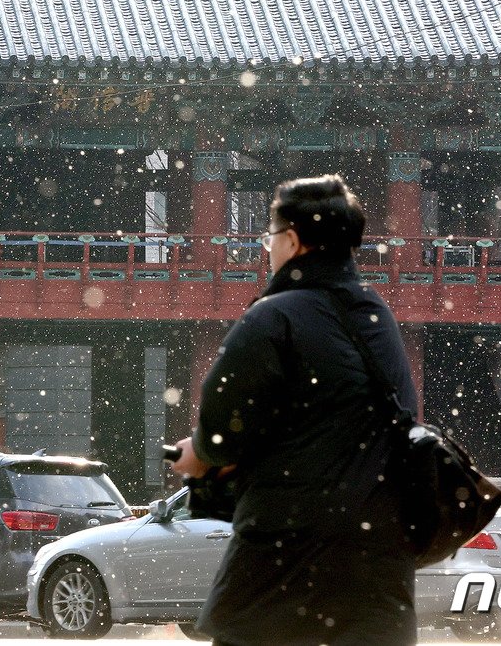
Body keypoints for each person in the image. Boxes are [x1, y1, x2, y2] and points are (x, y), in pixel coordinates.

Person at [171, 174, 418, 646]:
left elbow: (222, 427)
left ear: (292, 240)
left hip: (287, 552)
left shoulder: (274, 316)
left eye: (270, 236)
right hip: (378, 557)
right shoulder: (376, 315)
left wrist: (200, 453)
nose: (269, 247)